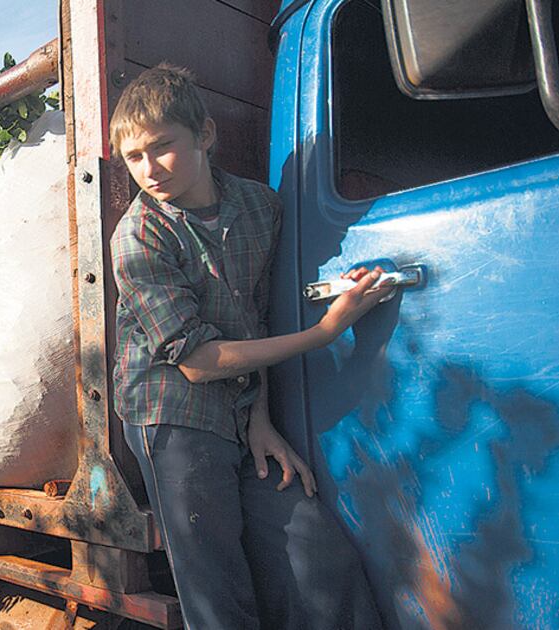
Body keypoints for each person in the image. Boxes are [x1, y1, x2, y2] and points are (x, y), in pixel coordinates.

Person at [109, 64, 388, 629]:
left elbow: (253, 315)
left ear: (205, 135)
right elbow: (195, 362)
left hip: (240, 411)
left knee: (317, 557)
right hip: (173, 417)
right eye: (134, 157)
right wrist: (326, 332)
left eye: (162, 147)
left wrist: (260, 418)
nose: (149, 169)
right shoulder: (138, 236)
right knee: (218, 592)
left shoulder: (261, 207)